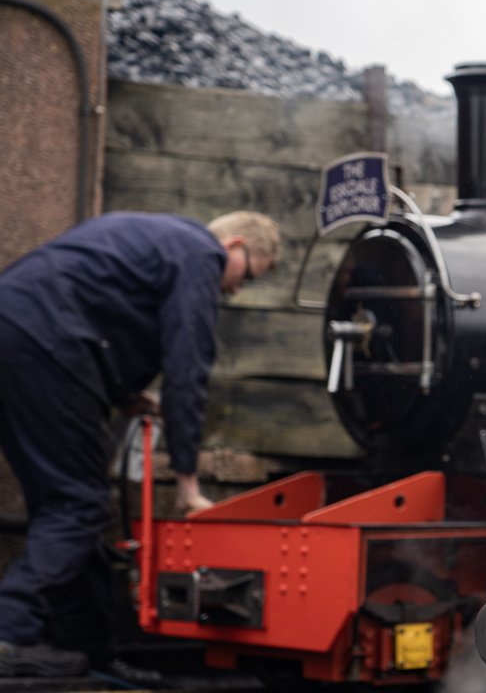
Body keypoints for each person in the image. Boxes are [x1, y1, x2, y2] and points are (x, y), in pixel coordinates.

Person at [0, 210, 280, 680]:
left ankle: (89, 650)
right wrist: (188, 483)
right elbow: (187, 370)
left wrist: (125, 396)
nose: (235, 291)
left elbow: (95, 299)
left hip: (20, 331)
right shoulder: (200, 254)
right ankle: (8, 632)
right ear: (233, 246)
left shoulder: (155, 236)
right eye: (247, 276)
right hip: (47, 344)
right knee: (79, 506)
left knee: (66, 505)